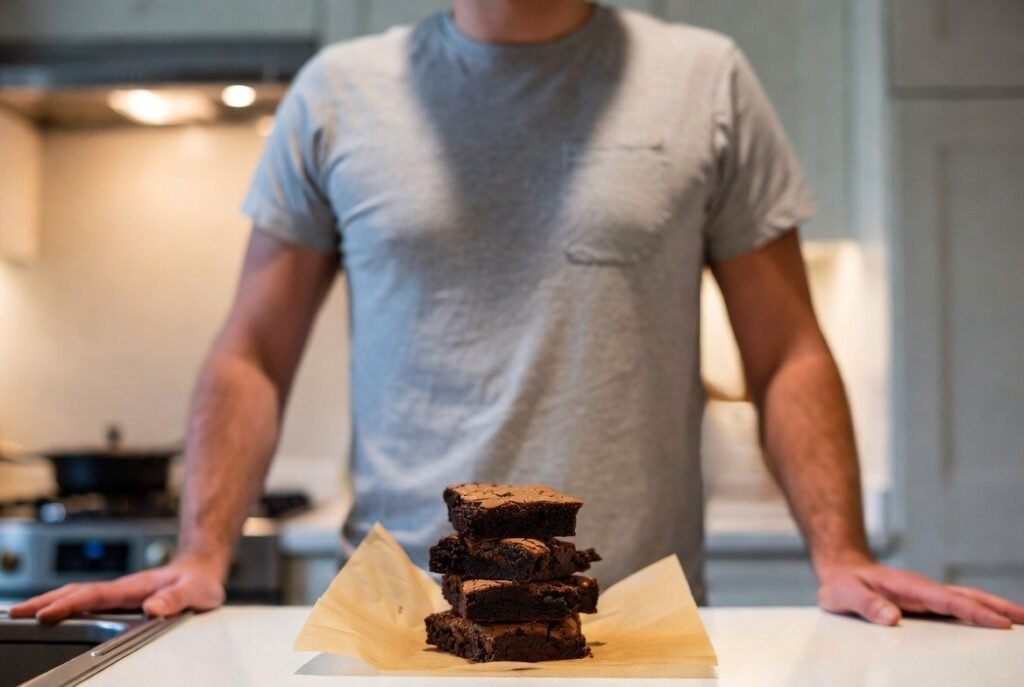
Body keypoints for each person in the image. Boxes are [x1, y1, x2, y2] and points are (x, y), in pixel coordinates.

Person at [12, 0, 1023, 628]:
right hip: (402, 618)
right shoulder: (336, 94)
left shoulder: (704, 79)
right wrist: (202, 550)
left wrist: (840, 554)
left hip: (635, 620)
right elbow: (252, 351)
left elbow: (787, 348)